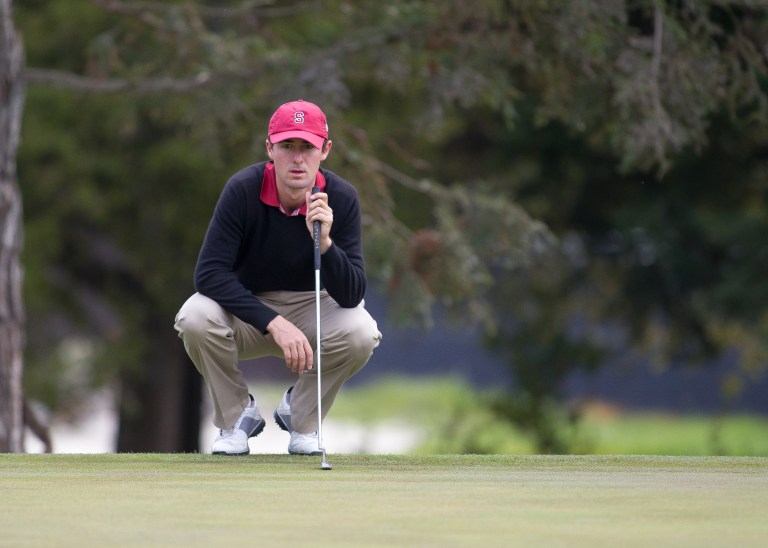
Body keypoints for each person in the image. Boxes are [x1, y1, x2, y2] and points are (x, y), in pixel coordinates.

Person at [174, 100, 382, 456]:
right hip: (247, 310)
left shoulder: (342, 198)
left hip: (314, 307)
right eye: (287, 146)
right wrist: (275, 323)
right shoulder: (242, 190)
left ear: (325, 151)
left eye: (307, 147)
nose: (297, 158)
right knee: (194, 317)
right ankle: (237, 418)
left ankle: (302, 419)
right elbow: (209, 273)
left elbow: (351, 294)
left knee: (362, 332)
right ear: (269, 148)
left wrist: (327, 243)